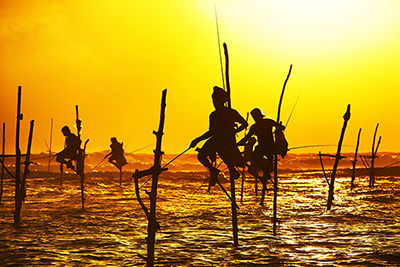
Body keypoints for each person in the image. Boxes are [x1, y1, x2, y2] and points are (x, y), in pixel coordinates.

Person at [190, 86, 248, 186]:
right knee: (201, 156)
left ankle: (232, 171)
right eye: (213, 100)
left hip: (227, 140)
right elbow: (211, 132)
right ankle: (214, 171)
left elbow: (244, 124)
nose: (214, 103)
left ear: (221, 101)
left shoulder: (231, 112)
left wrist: (234, 131)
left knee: (225, 155)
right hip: (216, 139)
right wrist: (197, 140)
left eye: (216, 100)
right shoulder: (213, 115)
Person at [237, 108, 285, 184]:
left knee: (259, 157)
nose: (255, 118)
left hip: (267, 147)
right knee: (256, 157)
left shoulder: (264, 123)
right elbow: (246, 138)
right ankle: (265, 170)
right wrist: (238, 144)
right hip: (265, 147)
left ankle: (265, 169)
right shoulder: (263, 124)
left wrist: (278, 129)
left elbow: (245, 139)